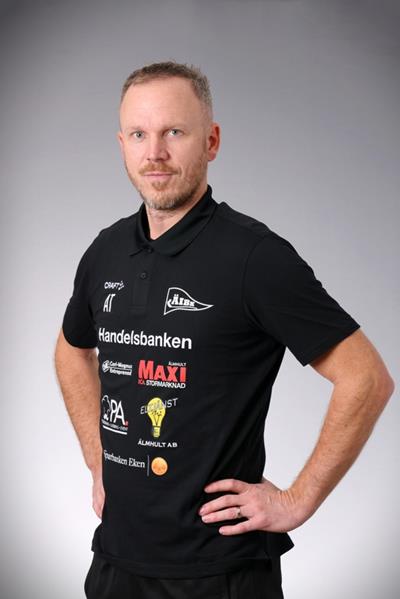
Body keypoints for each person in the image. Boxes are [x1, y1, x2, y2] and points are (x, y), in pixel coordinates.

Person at [54, 61, 394, 599]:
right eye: (139, 134)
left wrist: (297, 500)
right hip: (116, 561)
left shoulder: (255, 258)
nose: (154, 153)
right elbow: (71, 351)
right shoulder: (105, 251)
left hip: (220, 573)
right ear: (121, 144)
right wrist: (99, 463)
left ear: (211, 141)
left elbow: (367, 378)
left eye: (174, 132)